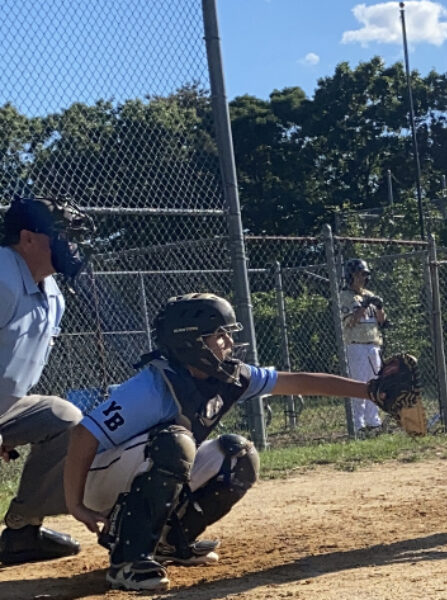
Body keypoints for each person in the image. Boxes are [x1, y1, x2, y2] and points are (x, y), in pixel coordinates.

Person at [63, 293, 404, 592]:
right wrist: (77, 504)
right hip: (103, 480)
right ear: (191, 342)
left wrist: (369, 391)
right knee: (175, 442)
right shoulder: (151, 386)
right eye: (219, 335)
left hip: (147, 466)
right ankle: (127, 560)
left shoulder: (229, 377)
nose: (228, 342)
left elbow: (296, 381)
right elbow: (84, 434)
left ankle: (169, 541)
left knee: (237, 455)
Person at [0, 196, 94, 565]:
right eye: (60, 235)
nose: (70, 245)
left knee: (65, 419)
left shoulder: (52, 292)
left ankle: (22, 533)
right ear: (27, 239)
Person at [340, 259, 388, 433]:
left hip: (373, 344)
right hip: (356, 345)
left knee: (374, 384)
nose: (363, 278)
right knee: (359, 384)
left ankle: (373, 422)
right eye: (360, 274)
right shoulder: (345, 296)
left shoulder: (369, 293)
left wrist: (379, 306)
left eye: (365, 275)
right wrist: (364, 305)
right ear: (351, 275)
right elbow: (351, 321)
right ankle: (358, 425)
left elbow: (382, 321)